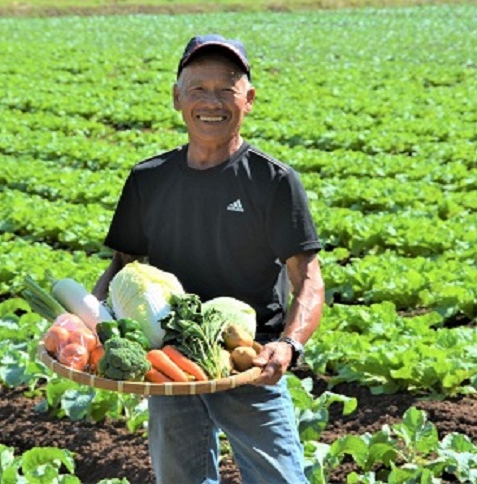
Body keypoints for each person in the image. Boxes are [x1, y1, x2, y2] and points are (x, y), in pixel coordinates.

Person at [93, 34, 324, 484]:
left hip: (247, 367)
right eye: (198, 89)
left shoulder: (273, 181)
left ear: (249, 100)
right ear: (177, 98)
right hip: (168, 366)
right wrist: (88, 325)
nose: (211, 102)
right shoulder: (148, 179)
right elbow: (122, 268)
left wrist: (289, 345)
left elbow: (309, 281)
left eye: (227, 89)